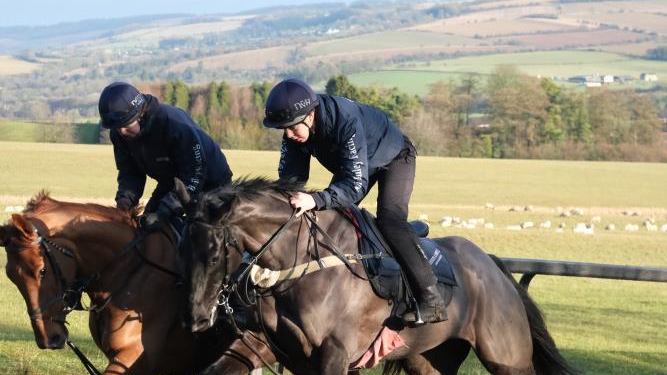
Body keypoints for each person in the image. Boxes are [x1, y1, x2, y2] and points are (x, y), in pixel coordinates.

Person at [263, 78, 447, 325]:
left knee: (390, 221)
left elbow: (354, 186)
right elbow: (290, 182)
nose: (287, 134)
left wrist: (315, 198)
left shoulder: (344, 120)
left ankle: (431, 299)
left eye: (291, 128)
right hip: (359, 164)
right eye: (282, 129)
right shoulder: (296, 131)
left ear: (310, 115)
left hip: (394, 156)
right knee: (330, 217)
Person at [98, 82, 232, 229]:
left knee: (199, 233)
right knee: (146, 227)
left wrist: (166, 211)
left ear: (140, 113)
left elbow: (195, 173)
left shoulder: (173, 124)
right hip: (171, 182)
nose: (122, 132)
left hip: (212, 183)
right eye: (116, 128)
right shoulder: (119, 135)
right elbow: (130, 173)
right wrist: (124, 204)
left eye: (126, 124)